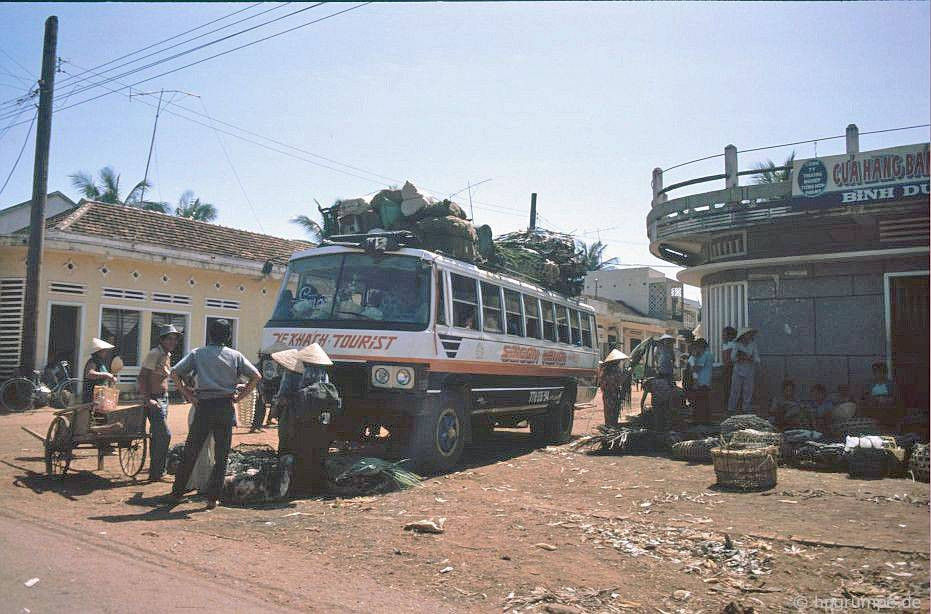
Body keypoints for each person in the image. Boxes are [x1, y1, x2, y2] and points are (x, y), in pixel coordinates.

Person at [168, 319, 261, 508]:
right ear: (228, 336)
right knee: (221, 455)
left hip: (204, 406)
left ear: (209, 335)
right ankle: (212, 498)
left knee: (191, 451)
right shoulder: (235, 356)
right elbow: (256, 376)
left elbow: (175, 373)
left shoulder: (198, 353)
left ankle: (177, 493)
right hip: (225, 407)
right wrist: (240, 397)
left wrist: (187, 394)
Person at [274, 343, 337, 495]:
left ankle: (293, 486)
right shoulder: (322, 373)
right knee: (314, 450)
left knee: (290, 449)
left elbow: (283, 395)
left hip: (294, 417)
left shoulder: (292, 372)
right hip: (318, 418)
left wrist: (277, 405)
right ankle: (314, 485)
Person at [137, 324, 181, 482]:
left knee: (158, 436)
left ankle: (156, 472)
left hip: (164, 398)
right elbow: (142, 377)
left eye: (175, 339)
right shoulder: (154, 353)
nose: (173, 342)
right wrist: (148, 399)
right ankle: (158, 471)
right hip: (154, 399)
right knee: (164, 435)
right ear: (162, 340)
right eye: (169, 339)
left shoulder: (167, 355)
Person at [727, 328, 760, 414]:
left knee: (748, 390)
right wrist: (741, 357)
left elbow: (757, 358)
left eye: (750, 334)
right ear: (743, 335)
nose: (749, 336)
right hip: (738, 370)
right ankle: (731, 408)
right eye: (747, 334)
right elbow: (732, 358)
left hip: (749, 370)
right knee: (735, 390)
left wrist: (752, 359)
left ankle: (746, 409)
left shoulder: (753, 344)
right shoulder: (737, 345)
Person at [861, 362, 899, 429]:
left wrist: (887, 400)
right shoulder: (869, 384)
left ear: (884, 373)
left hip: (888, 410)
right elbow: (864, 398)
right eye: (875, 372)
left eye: (880, 372)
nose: (878, 374)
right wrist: (874, 400)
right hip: (873, 410)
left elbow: (897, 398)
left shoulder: (891, 384)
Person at [687, 338, 714, 424]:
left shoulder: (705, 355)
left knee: (700, 402)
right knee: (703, 402)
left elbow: (696, 368)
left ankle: (700, 420)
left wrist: (693, 360)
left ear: (700, 346)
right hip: (705, 382)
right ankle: (704, 420)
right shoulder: (708, 355)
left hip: (702, 382)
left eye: (696, 347)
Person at [82, 338, 117, 403]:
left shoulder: (101, 362)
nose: (106, 352)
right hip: (92, 397)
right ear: (98, 351)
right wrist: (106, 374)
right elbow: (89, 374)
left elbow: (102, 376)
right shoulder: (92, 361)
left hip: (100, 395)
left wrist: (111, 378)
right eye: (104, 351)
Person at [599, 348, 627, 427]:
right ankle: (612, 427)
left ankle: (609, 426)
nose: (619, 362)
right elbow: (619, 381)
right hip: (613, 393)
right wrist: (626, 374)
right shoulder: (615, 369)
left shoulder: (604, 369)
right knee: (614, 412)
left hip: (607, 394)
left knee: (608, 412)